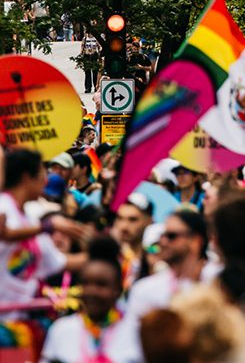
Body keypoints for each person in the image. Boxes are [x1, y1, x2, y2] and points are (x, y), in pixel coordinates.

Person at [0, 148, 87, 318]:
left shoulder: (32, 215)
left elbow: (59, 261)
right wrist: (46, 227)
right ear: (26, 178)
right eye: (42, 173)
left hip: (19, 318)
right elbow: (4, 232)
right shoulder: (3, 206)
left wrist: (104, 250)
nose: (46, 180)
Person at [39, 238, 141, 363]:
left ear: (118, 290)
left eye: (101, 284)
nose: (91, 292)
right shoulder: (61, 329)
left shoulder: (136, 332)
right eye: (86, 283)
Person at [125, 209, 217, 322]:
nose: (163, 242)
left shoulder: (218, 284)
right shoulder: (145, 290)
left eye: (171, 236)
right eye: (163, 235)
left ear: (195, 241)